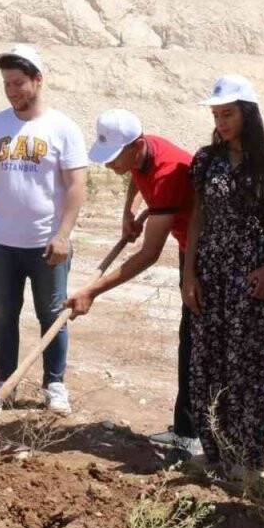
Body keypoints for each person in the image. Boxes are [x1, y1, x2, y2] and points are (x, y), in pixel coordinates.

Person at [0, 45, 88, 415]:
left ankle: (55, 385)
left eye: (18, 83)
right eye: (6, 84)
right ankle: (4, 384)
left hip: (46, 245)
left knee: (52, 315)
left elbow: (77, 186)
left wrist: (63, 235)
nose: (12, 91)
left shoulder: (63, 127)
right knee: (4, 314)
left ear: (38, 80)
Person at [63, 109, 197, 455]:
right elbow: (134, 175)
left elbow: (149, 253)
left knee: (195, 341)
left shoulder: (168, 171)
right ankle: (186, 429)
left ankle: (193, 437)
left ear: (136, 146)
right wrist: (129, 212)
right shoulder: (142, 153)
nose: (109, 165)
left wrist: (93, 290)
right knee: (190, 338)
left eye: (113, 158)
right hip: (188, 243)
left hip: (206, 253)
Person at [180, 74, 264, 479]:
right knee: (206, 362)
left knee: (246, 366)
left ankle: (247, 461)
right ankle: (213, 454)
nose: (221, 122)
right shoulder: (205, 161)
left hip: (251, 274)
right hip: (209, 271)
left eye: (228, 113)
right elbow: (198, 218)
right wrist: (188, 274)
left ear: (247, 113)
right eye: (216, 114)